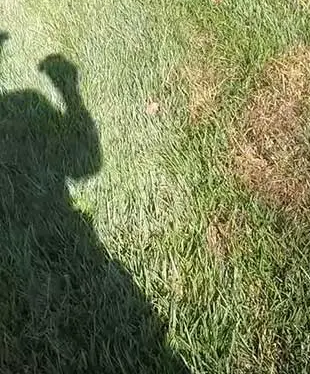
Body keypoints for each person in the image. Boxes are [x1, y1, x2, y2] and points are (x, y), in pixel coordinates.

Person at [0, 33, 188, 373]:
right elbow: (87, 165)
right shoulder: (23, 100)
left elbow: (85, 166)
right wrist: (69, 91)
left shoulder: (20, 101)